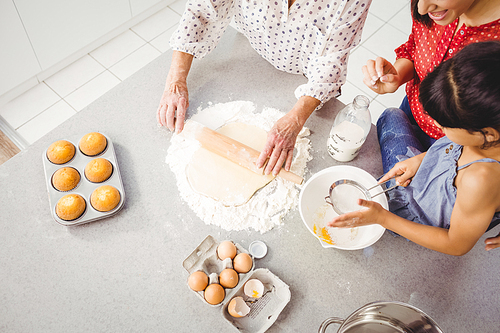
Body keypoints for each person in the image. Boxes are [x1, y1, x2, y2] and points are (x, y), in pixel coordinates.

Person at [157, 0, 371, 176]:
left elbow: (332, 59)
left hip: (306, 75)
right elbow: (201, 10)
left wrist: (295, 119)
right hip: (252, 47)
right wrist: (175, 80)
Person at [328, 41, 500, 255]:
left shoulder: (480, 180)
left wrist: (382, 218)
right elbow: (453, 149)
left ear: (487, 134)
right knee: (392, 114)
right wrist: (418, 161)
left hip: (414, 215)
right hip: (428, 177)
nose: (437, 125)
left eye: (445, 125)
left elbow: (455, 245)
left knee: (390, 117)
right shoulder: (483, 135)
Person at [362, 0, 500, 153]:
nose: (421, 9)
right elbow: (414, 46)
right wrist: (397, 75)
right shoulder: (430, 7)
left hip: (456, 146)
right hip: (411, 108)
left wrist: (432, 159)